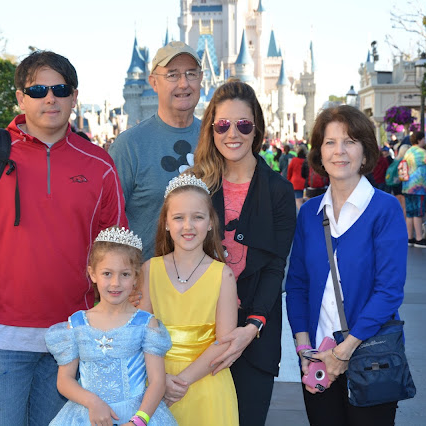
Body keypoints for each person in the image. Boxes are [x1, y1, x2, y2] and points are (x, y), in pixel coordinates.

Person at [0, 51, 127, 425]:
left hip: (73, 334)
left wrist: (116, 314)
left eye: (60, 89)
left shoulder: (99, 163)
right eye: (38, 90)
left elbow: (116, 247)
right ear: (21, 98)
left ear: (74, 96)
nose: (50, 98)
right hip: (0, 333)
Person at [286, 105, 408, 425]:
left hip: (370, 358)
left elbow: (389, 291)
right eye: (330, 142)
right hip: (317, 359)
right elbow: (297, 285)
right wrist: (304, 349)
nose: (339, 151)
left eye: (350, 141)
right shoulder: (310, 213)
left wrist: (343, 352)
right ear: (319, 153)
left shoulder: (385, 209)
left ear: (365, 153)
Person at [188, 80, 296, 426]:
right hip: (197, 333)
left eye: (243, 124)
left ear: (256, 129)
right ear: (211, 129)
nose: (232, 133)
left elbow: (275, 266)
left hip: (254, 336)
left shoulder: (279, 190)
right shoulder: (195, 185)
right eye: (222, 124)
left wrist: (252, 326)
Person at [45, 227, 176, 426]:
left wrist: (138, 421)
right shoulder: (78, 324)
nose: (115, 283)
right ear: (93, 274)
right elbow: (64, 380)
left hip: (136, 417)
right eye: (107, 273)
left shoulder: (145, 324)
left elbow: (157, 382)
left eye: (125, 274)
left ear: (136, 277)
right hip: (87, 416)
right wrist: (93, 402)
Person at [138, 174, 239, 425]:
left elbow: (224, 341)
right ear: (166, 223)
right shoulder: (149, 270)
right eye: (178, 218)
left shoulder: (223, 275)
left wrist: (180, 382)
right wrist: (161, 381)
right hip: (156, 382)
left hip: (206, 385)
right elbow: (140, 334)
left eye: (198, 217)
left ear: (211, 223)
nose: (188, 226)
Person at [110, 41, 203, 259]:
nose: (183, 83)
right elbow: (108, 222)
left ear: (201, 79)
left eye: (191, 74)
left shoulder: (216, 139)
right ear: (153, 82)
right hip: (146, 277)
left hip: (205, 277)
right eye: (172, 75)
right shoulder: (129, 146)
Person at [287, 144, 308, 209]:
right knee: (306, 201)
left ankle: (301, 214)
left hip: (296, 183)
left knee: (298, 201)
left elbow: (289, 172)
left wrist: (289, 181)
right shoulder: (307, 161)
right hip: (306, 183)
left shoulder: (294, 160)